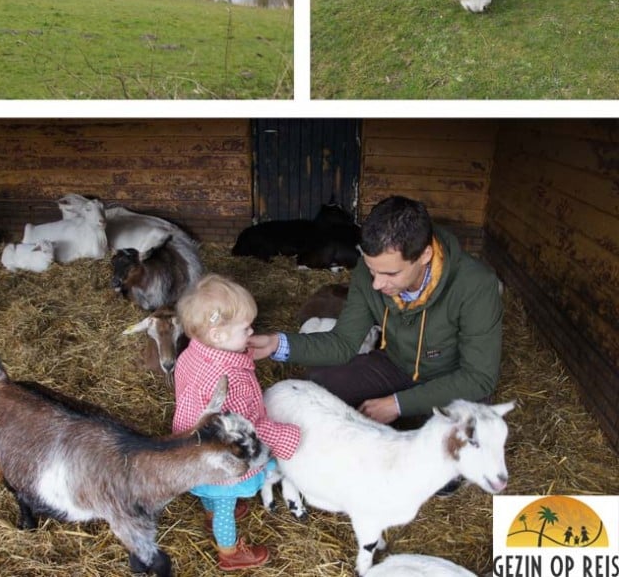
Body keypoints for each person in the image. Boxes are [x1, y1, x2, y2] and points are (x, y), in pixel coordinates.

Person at [249, 196, 503, 434]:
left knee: (463, 434)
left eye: (391, 274)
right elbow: (343, 343)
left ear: (424, 255)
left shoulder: (476, 284)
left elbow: (479, 377)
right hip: (394, 365)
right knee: (319, 383)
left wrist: (397, 404)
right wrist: (277, 343)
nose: (377, 285)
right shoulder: (368, 273)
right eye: (373, 271)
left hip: (451, 378)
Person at [173, 274, 300, 571]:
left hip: (190, 445)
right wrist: (286, 438)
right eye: (245, 328)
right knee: (227, 504)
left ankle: (209, 511)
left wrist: (242, 346)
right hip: (222, 461)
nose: (252, 330)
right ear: (217, 335)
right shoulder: (234, 381)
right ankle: (230, 552)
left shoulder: (191, 353)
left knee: (212, 494)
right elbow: (249, 429)